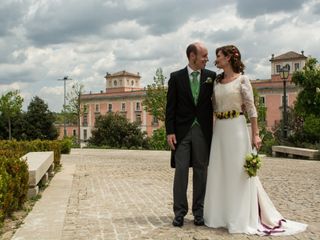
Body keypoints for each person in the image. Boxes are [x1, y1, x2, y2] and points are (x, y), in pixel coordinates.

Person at [203, 45, 307, 235]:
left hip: (236, 128)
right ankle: (220, 215)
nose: (215, 60)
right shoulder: (216, 82)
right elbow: (213, 108)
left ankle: (240, 217)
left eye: (218, 56)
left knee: (238, 172)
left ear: (228, 58)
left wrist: (256, 134)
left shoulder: (243, 80)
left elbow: (251, 109)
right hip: (220, 130)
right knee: (219, 170)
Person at [165, 42, 216, 227]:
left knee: (201, 172)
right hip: (181, 132)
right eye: (204, 56)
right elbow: (170, 108)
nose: (207, 59)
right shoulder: (176, 77)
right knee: (181, 172)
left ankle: (199, 212)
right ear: (192, 56)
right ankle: (179, 213)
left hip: (203, 130)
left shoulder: (211, 77)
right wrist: (169, 131)